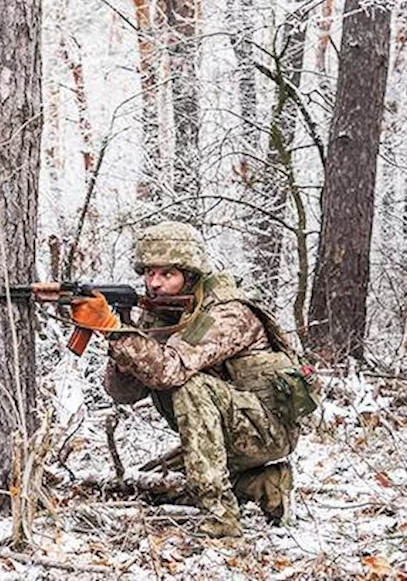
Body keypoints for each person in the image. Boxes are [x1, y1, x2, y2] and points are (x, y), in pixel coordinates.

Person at [70, 221, 317, 538]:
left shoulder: (226, 313)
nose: (154, 283)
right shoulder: (162, 313)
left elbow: (169, 370)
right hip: (227, 432)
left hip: (266, 431)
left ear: (190, 275)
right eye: (149, 273)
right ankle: (266, 485)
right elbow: (124, 393)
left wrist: (114, 331)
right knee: (154, 485)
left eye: (167, 274)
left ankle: (221, 520)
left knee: (189, 385)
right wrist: (121, 337)